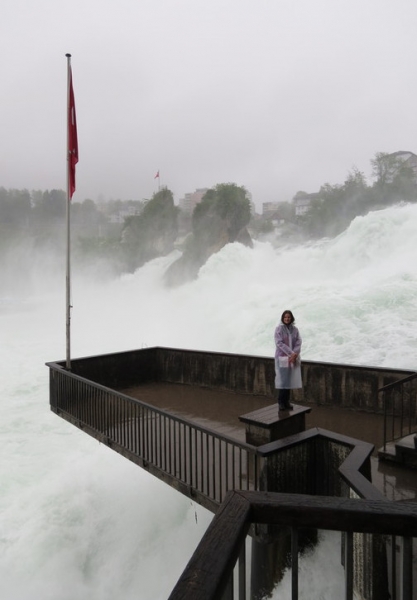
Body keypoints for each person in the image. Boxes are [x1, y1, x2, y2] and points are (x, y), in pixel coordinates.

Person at [274, 310, 302, 411]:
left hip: (292, 359)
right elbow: (279, 343)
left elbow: (298, 342)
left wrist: (294, 354)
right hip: (282, 358)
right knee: (283, 381)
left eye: (289, 317)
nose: (287, 319)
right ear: (282, 318)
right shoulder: (279, 329)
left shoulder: (295, 330)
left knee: (289, 381)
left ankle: (287, 402)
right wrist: (291, 353)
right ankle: (281, 402)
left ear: (292, 318)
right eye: (285, 317)